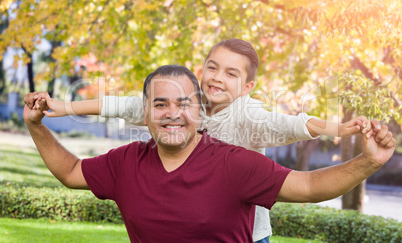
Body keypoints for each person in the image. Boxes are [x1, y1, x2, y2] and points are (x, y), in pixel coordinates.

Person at [25, 39, 372, 243]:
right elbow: (120, 104)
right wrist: (64, 107)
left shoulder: (249, 116)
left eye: (231, 74)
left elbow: (296, 125)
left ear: (248, 87)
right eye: (212, 67)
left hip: (248, 228)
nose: (218, 78)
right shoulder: (182, 101)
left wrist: (340, 130)